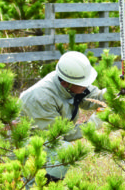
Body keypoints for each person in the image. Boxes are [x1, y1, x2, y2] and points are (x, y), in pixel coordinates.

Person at [19, 51, 106, 182]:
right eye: (83, 83)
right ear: (65, 83)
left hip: (44, 140)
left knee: (63, 149)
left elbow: (94, 96)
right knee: (64, 150)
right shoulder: (41, 98)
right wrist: (94, 123)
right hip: (21, 146)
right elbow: (60, 136)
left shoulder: (72, 84)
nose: (86, 86)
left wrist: (117, 91)